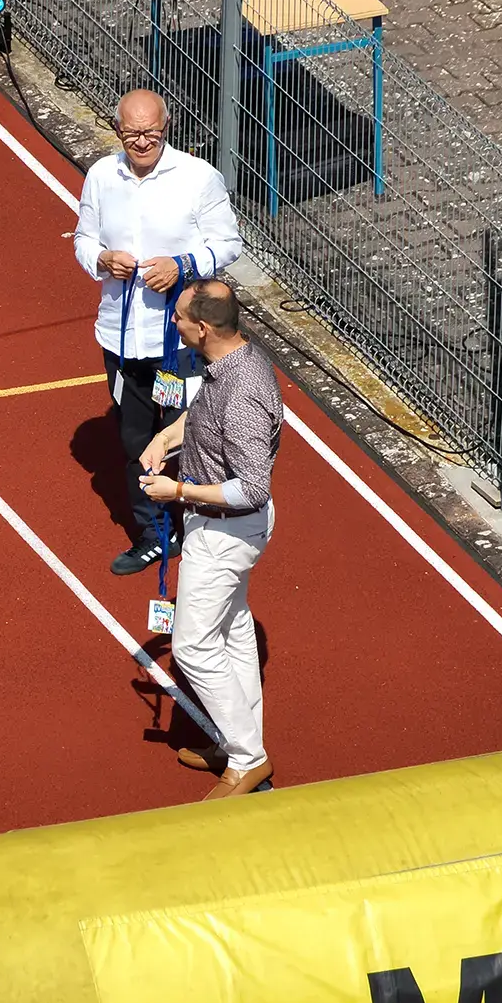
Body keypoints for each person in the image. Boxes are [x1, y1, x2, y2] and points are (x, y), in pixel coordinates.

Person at [73, 89, 243, 577]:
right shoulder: (101, 176)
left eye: (151, 132)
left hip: (181, 343)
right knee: (134, 439)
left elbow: (228, 243)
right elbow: (83, 240)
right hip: (120, 337)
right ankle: (155, 533)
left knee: (192, 434)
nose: (142, 142)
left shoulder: (198, 178)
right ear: (117, 130)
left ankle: (204, 519)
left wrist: (182, 265)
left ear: (166, 128)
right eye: (132, 133)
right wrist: (101, 259)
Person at [137, 281, 282, 799]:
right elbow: (202, 418)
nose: (173, 323)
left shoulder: (242, 393)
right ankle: (237, 741)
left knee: (193, 648)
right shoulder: (230, 362)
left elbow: (252, 487)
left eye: (178, 317)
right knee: (234, 630)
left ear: (202, 327)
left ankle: (248, 759)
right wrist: (165, 438)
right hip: (221, 526)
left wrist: (177, 490)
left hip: (226, 532)